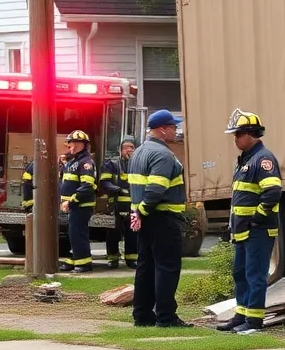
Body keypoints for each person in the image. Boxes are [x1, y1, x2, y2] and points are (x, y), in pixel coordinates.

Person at [214, 110, 282, 335]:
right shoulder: (245, 160)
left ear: (252, 134)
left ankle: (253, 322)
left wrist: (257, 219)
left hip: (257, 231)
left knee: (255, 275)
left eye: (238, 134)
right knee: (240, 274)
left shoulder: (263, 159)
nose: (235, 139)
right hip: (243, 231)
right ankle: (241, 315)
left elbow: (272, 192)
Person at [129, 110, 189, 329]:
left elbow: (136, 187)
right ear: (163, 130)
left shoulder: (138, 153)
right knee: (167, 267)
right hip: (163, 217)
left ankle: (142, 315)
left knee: (146, 267)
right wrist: (144, 210)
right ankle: (166, 316)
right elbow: (156, 188)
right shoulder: (163, 155)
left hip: (144, 219)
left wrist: (138, 213)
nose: (176, 130)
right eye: (173, 127)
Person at [58, 130, 98, 273]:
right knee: (73, 232)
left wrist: (71, 201)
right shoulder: (72, 161)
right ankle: (75, 258)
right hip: (73, 206)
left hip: (81, 204)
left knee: (78, 233)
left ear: (83, 145)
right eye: (70, 142)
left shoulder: (86, 162)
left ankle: (84, 263)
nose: (71, 145)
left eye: (75, 142)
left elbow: (87, 186)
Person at [100, 137, 138, 269]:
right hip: (115, 204)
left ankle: (132, 258)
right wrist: (118, 190)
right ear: (120, 150)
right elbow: (104, 182)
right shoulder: (111, 164)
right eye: (126, 147)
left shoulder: (138, 164)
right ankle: (113, 258)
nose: (129, 150)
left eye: (131, 147)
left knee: (133, 231)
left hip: (133, 205)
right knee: (113, 232)